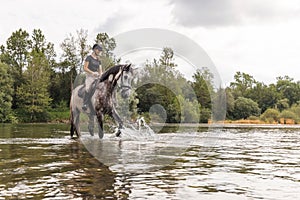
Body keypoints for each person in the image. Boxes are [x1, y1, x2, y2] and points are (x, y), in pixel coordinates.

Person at [82, 44, 103, 111]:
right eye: (98, 50)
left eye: (100, 51)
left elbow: (100, 70)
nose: (99, 52)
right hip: (89, 76)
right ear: (95, 50)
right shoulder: (89, 58)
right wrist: (92, 73)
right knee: (88, 88)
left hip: (97, 76)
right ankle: (85, 104)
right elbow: (85, 68)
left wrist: (101, 75)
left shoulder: (98, 60)